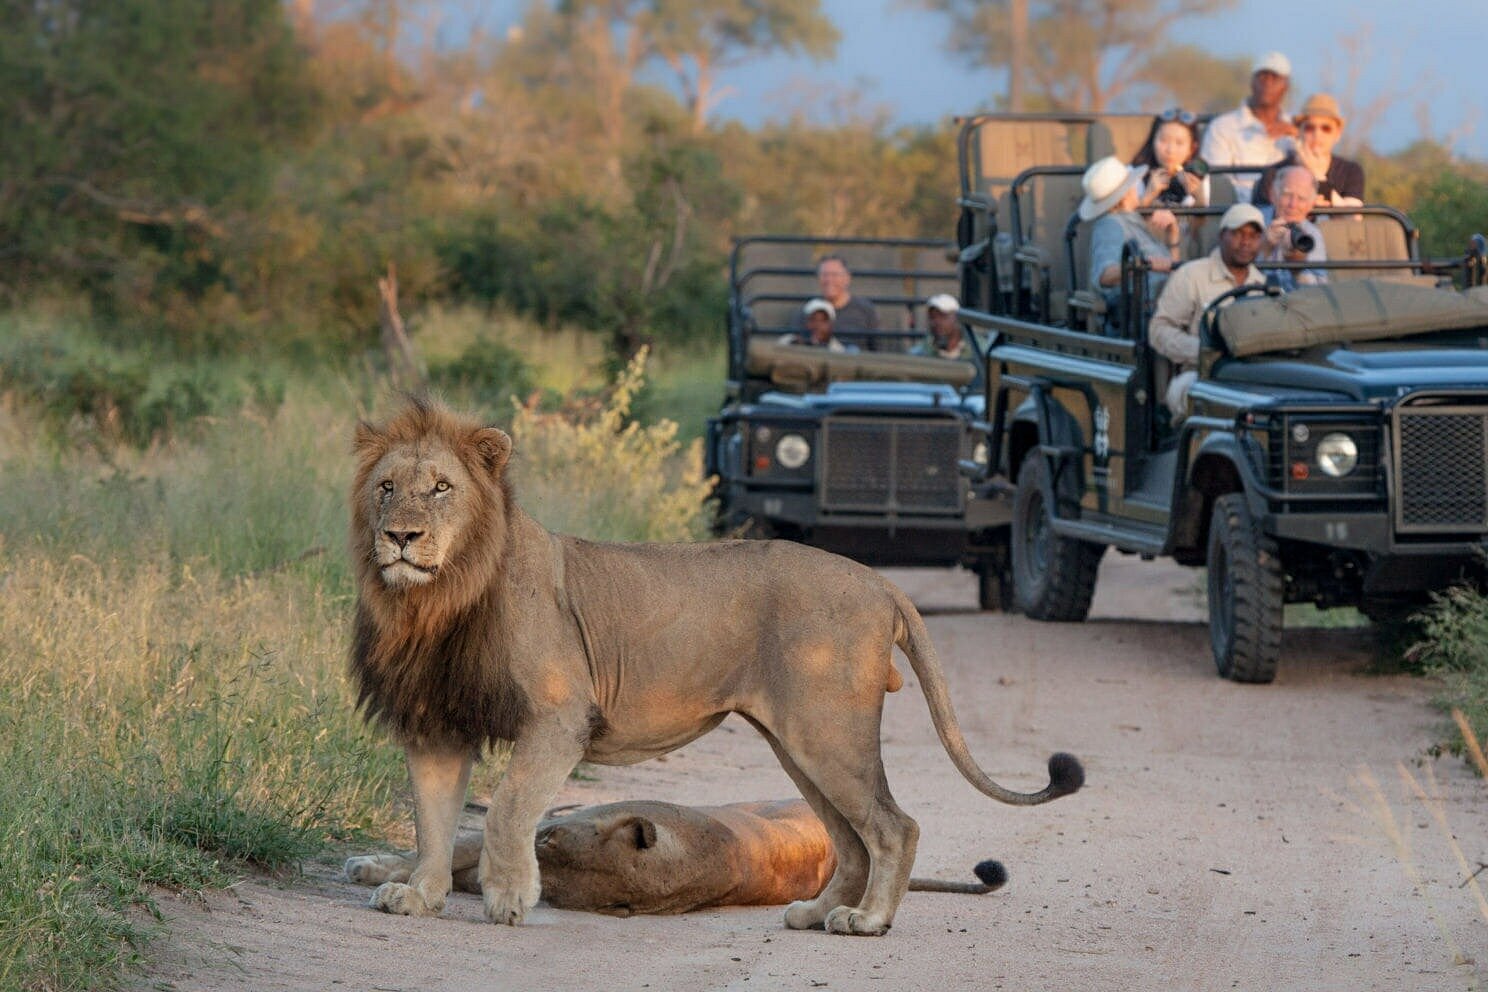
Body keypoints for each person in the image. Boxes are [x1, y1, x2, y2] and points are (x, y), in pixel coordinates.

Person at [1147, 203, 1267, 420]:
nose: (1246, 242)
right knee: (1187, 391)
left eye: (1254, 235)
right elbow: (1159, 330)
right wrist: (1203, 352)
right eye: (1238, 233)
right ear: (1222, 235)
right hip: (1201, 373)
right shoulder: (1192, 275)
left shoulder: (1264, 284)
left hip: (1254, 376)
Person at [1081, 156, 1181, 319]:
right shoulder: (1110, 224)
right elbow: (1104, 275)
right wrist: (1143, 263)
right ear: (1127, 192)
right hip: (1143, 314)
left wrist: (1173, 233)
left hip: (1167, 303)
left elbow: (1171, 268)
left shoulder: (1134, 221)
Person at [1200, 51, 1297, 203]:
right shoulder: (1222, 127)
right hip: (1236, 215)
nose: (1268, 83)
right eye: (1262, 76)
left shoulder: (1300, 129)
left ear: (1286, 86)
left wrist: (1298, 138)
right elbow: (1217, 185)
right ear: (1251, 82)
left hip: (1287, 210)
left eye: (1275, 78)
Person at [1251, 93, 1365, 208]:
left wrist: (1317, 175)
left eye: (1326, 128)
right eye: (1309, 128)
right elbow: (1264, 218)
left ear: (1338, 133)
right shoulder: (1273, 174)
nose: (1317, 134)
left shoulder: (1351, 171)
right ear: (1299, 131)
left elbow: (1354, 218)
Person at [1258, 165, 1328, 290]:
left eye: (1301, 198)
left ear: (1311, 205)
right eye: (1287, 194)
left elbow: (1319, 289)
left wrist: (1297, 269)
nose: (1293, 204)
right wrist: (1264, 249)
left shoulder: (1312, 235)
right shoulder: (1255, 220)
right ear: (1273, 195)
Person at [1132, 108, 1211, 210]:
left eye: (1179, 143)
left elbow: (1196, 226)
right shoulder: (1134, 173)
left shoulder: (1199, 174)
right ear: (1152, 141)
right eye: (1163, 140)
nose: (1170, 150)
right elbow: (1126, 221)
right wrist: (1148, 197)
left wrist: (1199, 199)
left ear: (1192, 148)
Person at [794, 255, 880, 346]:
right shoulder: (806, 311)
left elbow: (877, 348)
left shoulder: (865, 310)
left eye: (835, 275)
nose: (829, 280)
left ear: (847, 278)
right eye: (824, 275)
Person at [910, 294, 974, 360]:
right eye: (932, 317)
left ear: (957, 318)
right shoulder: (919, 354)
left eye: (943, 316)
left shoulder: (977, 349)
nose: (936, 322)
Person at [778, 298, 853, 352]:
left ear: (831, 325)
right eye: (813, 319)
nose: (818, 325)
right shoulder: (789, 341)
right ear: (806, 322)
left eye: (823, 320)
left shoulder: (838, 350)